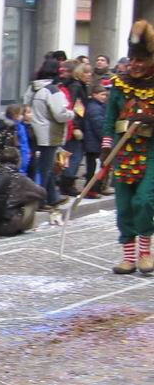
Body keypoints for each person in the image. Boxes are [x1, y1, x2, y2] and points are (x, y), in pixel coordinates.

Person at [101, 19, 154, 275]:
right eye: (133, 60)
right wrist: (106, 147)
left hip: (150, 152)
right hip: (123, 152)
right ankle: (128, 257)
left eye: (141, 60)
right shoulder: (119, 84)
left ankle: (145, 253)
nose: (135, 65)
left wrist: (150, 120)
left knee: (143, 201)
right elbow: (110, 120)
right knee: (123, 205)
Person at [23, 58, 74, 208]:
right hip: (49, 133)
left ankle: (52, 196)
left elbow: (26, 106)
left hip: (32, 131)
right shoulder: (52, 90)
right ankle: (39, 200)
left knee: (45, 166)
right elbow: (60, 114)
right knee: (45, 168)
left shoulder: (32, 88)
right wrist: (71, 114)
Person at [58, 59, 89, 197]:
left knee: (69, 155)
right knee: (72, 155)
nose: (89, 75)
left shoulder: (78, 85)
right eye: (86, 72)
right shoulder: (76, 86)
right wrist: (76, 126)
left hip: (74, 125)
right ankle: (66, 182)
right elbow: (75, 106)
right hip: (73, 127)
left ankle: (66, 182)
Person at [83, 84, 108, 198]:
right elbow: (99, 126)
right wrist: (105, 138)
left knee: (95, 168)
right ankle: (91, 190)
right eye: (102, 94)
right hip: (94, 144)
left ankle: (94, 189)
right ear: (94, 95)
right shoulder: (95, 108)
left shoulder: (98, 106)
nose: (104, 97)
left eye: (105, 95)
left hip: (94, 143)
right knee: (93, 169)